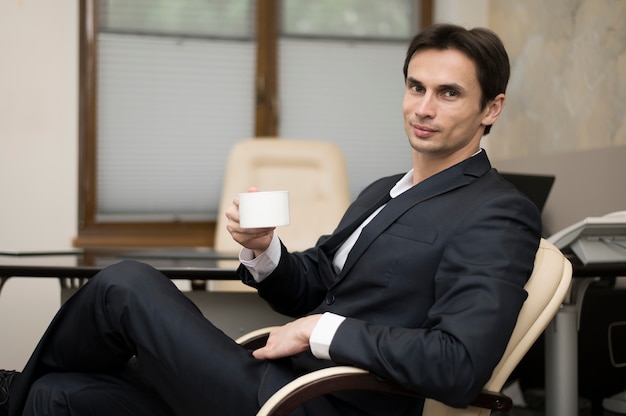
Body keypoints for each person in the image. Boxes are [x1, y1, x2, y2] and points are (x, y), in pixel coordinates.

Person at [1, 23, 541, 416]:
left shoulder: (497, 212)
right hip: (271, 378)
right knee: (58, 396)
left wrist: (320, 331)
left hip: (320, 405)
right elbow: (315, 286)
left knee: (125, 284)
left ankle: (8, 392)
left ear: (490, 109)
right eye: (416, 87)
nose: (423, 108)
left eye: (448, 93)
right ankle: (23, 394)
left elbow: (458, 364)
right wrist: (264, 250)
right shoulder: (385, 190)